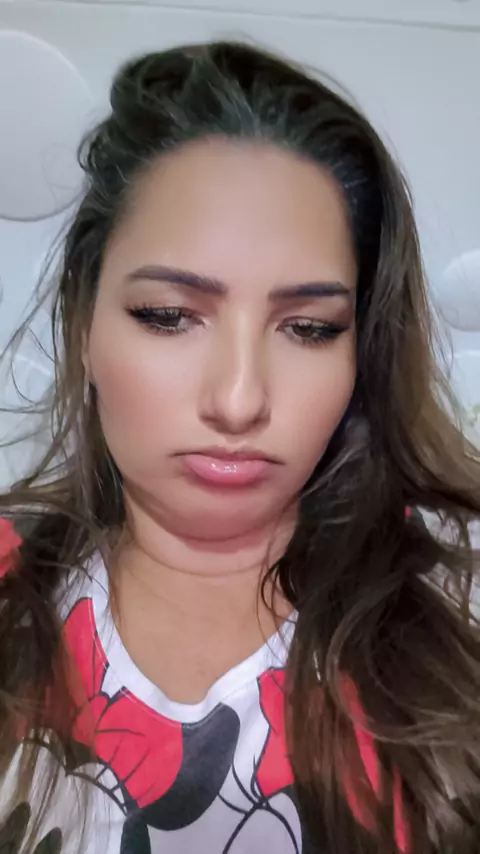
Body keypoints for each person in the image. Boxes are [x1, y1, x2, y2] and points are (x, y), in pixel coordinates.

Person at [0, 39, 479, 854]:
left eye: (309, 328)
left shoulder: (458, 623)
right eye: (168, 316)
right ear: (83, 326)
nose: (238, 399)